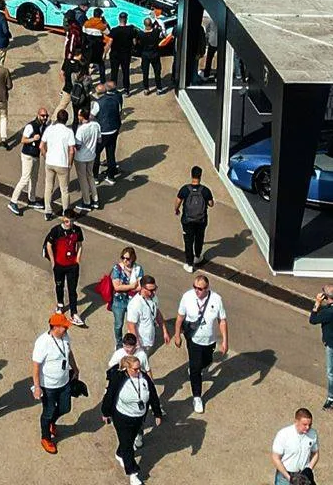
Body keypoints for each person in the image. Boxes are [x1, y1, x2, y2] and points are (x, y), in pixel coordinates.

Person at [100, 350, 163, 485]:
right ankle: (133, 473)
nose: (138, 371)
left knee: (128, 440)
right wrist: (105, 413)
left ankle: (119, 453)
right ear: (127, 368)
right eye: (135, 369)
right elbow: (109, 395)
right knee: (128, 445)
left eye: (139, 368)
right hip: (122, 417)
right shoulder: (118, 378)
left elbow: (152, 394)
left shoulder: (144, 378)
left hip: (139, 417)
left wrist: (157, 413)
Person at [171, 273, 229, 413]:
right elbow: (180, 318)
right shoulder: (187, 297)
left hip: (209, 340)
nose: (197, 291)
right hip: (193, 339)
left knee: (207, 361)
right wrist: (177, 335)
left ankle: (195, 368)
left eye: (201, 289)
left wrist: (225, 340)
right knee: (196, 368)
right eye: (195, 287)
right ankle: (197, 396)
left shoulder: (216, 299)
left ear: (207, 288)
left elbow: (222, 320)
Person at [30, 313, 79, 454]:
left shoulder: (65, 337)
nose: (66, 329)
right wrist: (37, 387)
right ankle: (45, 437)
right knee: (48, 411)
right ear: (55, 327)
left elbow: (69, 353)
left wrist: (75, 368)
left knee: (65, 407)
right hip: (48, 386)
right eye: (64, 327)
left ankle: (51, 422)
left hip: (64, 382)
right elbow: (36, 366)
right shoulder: (42, 342)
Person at [43, 211, 86, 324]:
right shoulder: (56, 230)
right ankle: (60, 304)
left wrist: (78, 259)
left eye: (71, 221)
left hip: (72, 265)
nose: (69, 224)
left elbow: (80, 244)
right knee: (59, 285)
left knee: (72, 290)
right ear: (63, 219)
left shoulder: (77, 230)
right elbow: (49, 245)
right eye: (67, 221)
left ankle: (74, 313)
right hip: (59, 265)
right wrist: (53, 261)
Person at [7, 108, 48, 215]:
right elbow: (23, 140)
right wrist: (33, 139)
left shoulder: (44, 126)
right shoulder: (31, 126)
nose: (45, 118)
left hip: (36, 155)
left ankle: (32, 199)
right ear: (38, 115)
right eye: (43, 116)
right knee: (25, 178)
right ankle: (13, 201)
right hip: (27, 155)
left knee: (34, 178)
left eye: (46, 116)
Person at [176, 166, 215, 271]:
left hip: (187, 221)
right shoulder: (205, 190)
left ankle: (189, 264)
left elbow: (178, 202)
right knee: (199, 238)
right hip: (201, 220)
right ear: (200, 176)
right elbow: (211, 204)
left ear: (191, 175)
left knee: (188, 241)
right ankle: (197, 256)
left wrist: (177, 210)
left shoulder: (185, 189)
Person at [41, 111, 78, 218]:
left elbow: (41, 146)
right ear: (66, 120)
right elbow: (72, 151)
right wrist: (70, 164)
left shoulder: (49, 129)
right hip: (62, 164)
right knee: (64, 190)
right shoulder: (69, 132)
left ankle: (47, 211)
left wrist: (46, 156)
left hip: (50, 162)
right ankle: (65, 212)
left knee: (48, 187)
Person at [107, 248, 144, 346]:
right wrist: (132, 286)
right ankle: (119, 343)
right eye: (123, 258)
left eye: (127, 258)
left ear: (133, 258)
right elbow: (117, 287)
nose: (125, 260)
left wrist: (124, 287)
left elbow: (140, 287)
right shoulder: (117, 268)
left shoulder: (138, 269)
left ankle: (130, 344)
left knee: (132, 324)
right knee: (118, 324)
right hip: (119, 301)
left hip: (133, 301)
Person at [272, 409, 320, 485]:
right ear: (296, 422)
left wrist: (309, 470)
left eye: (310, 424)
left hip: (304, 476)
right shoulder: (284, 435)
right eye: (304, 424)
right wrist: (289, 478)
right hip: (285, 477)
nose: (307, 427)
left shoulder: (313, 434)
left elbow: (315, 453)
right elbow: (276, 458)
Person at [73, 110, 102, 211]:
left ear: (81, 117)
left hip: (81, 158)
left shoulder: (81, 129)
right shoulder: (96, 125)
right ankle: (95, 199)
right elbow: (99, 140)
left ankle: (86, 202)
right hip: (91, 156)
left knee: (83, 179)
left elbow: (79, 146)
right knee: (90, 176)